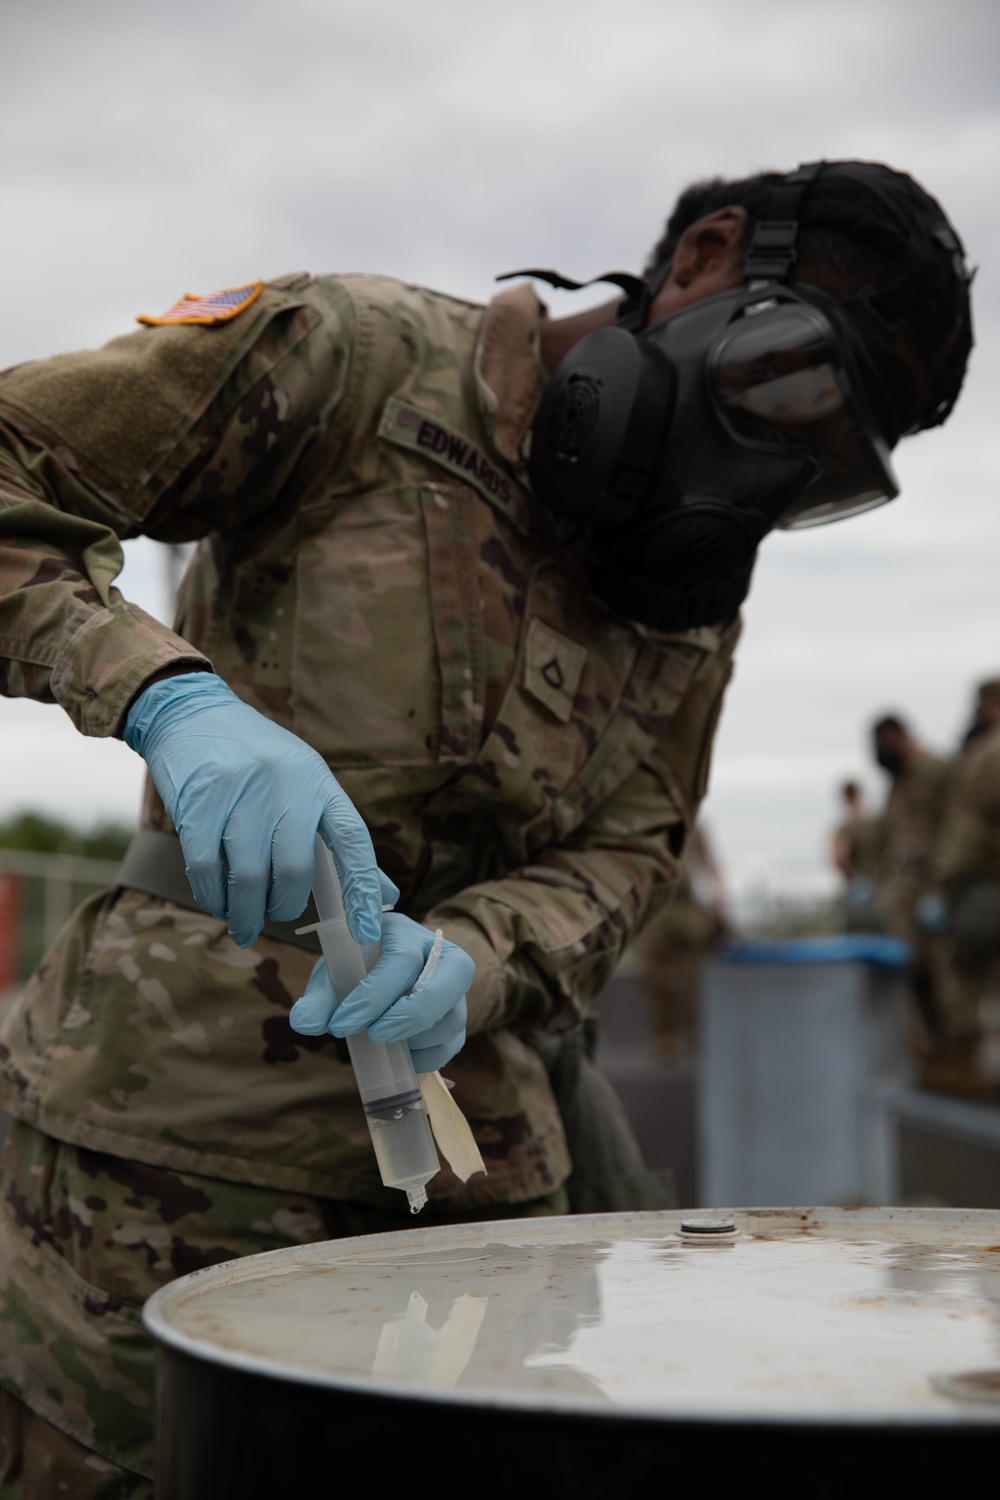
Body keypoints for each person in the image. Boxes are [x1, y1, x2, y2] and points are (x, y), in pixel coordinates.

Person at [0, 158, 974, 1493]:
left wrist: (482, 956)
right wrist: (164, 696)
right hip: (163, 1160)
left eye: (822, 468)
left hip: (475, 1206)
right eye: (790, 386)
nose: (767, 475)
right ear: (706, 257)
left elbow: (637, 843)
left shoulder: (687, 590)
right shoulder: (356, 360)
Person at [919, 677, 1000, 1095]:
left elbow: (969, 831)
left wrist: (943, 883)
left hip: (987, 883)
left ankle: (967, 1063)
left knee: (958, 961)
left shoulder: (988, 753)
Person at [636, 822, 726, 1058]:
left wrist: (719, 898)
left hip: (685, 902)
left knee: (693, 972)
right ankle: (667, 1034)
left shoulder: (694, 825)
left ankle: (696, 1031)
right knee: (655, 972)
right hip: (655, 904)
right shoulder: (648, 820)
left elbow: (708, 861)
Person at [830, 779, 884, 932]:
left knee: (857, 939)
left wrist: (852, 877)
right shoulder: (873, 822)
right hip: (881, 887)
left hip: (859, 889)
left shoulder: (847, 826)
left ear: (845, 797)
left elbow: (840, 856)